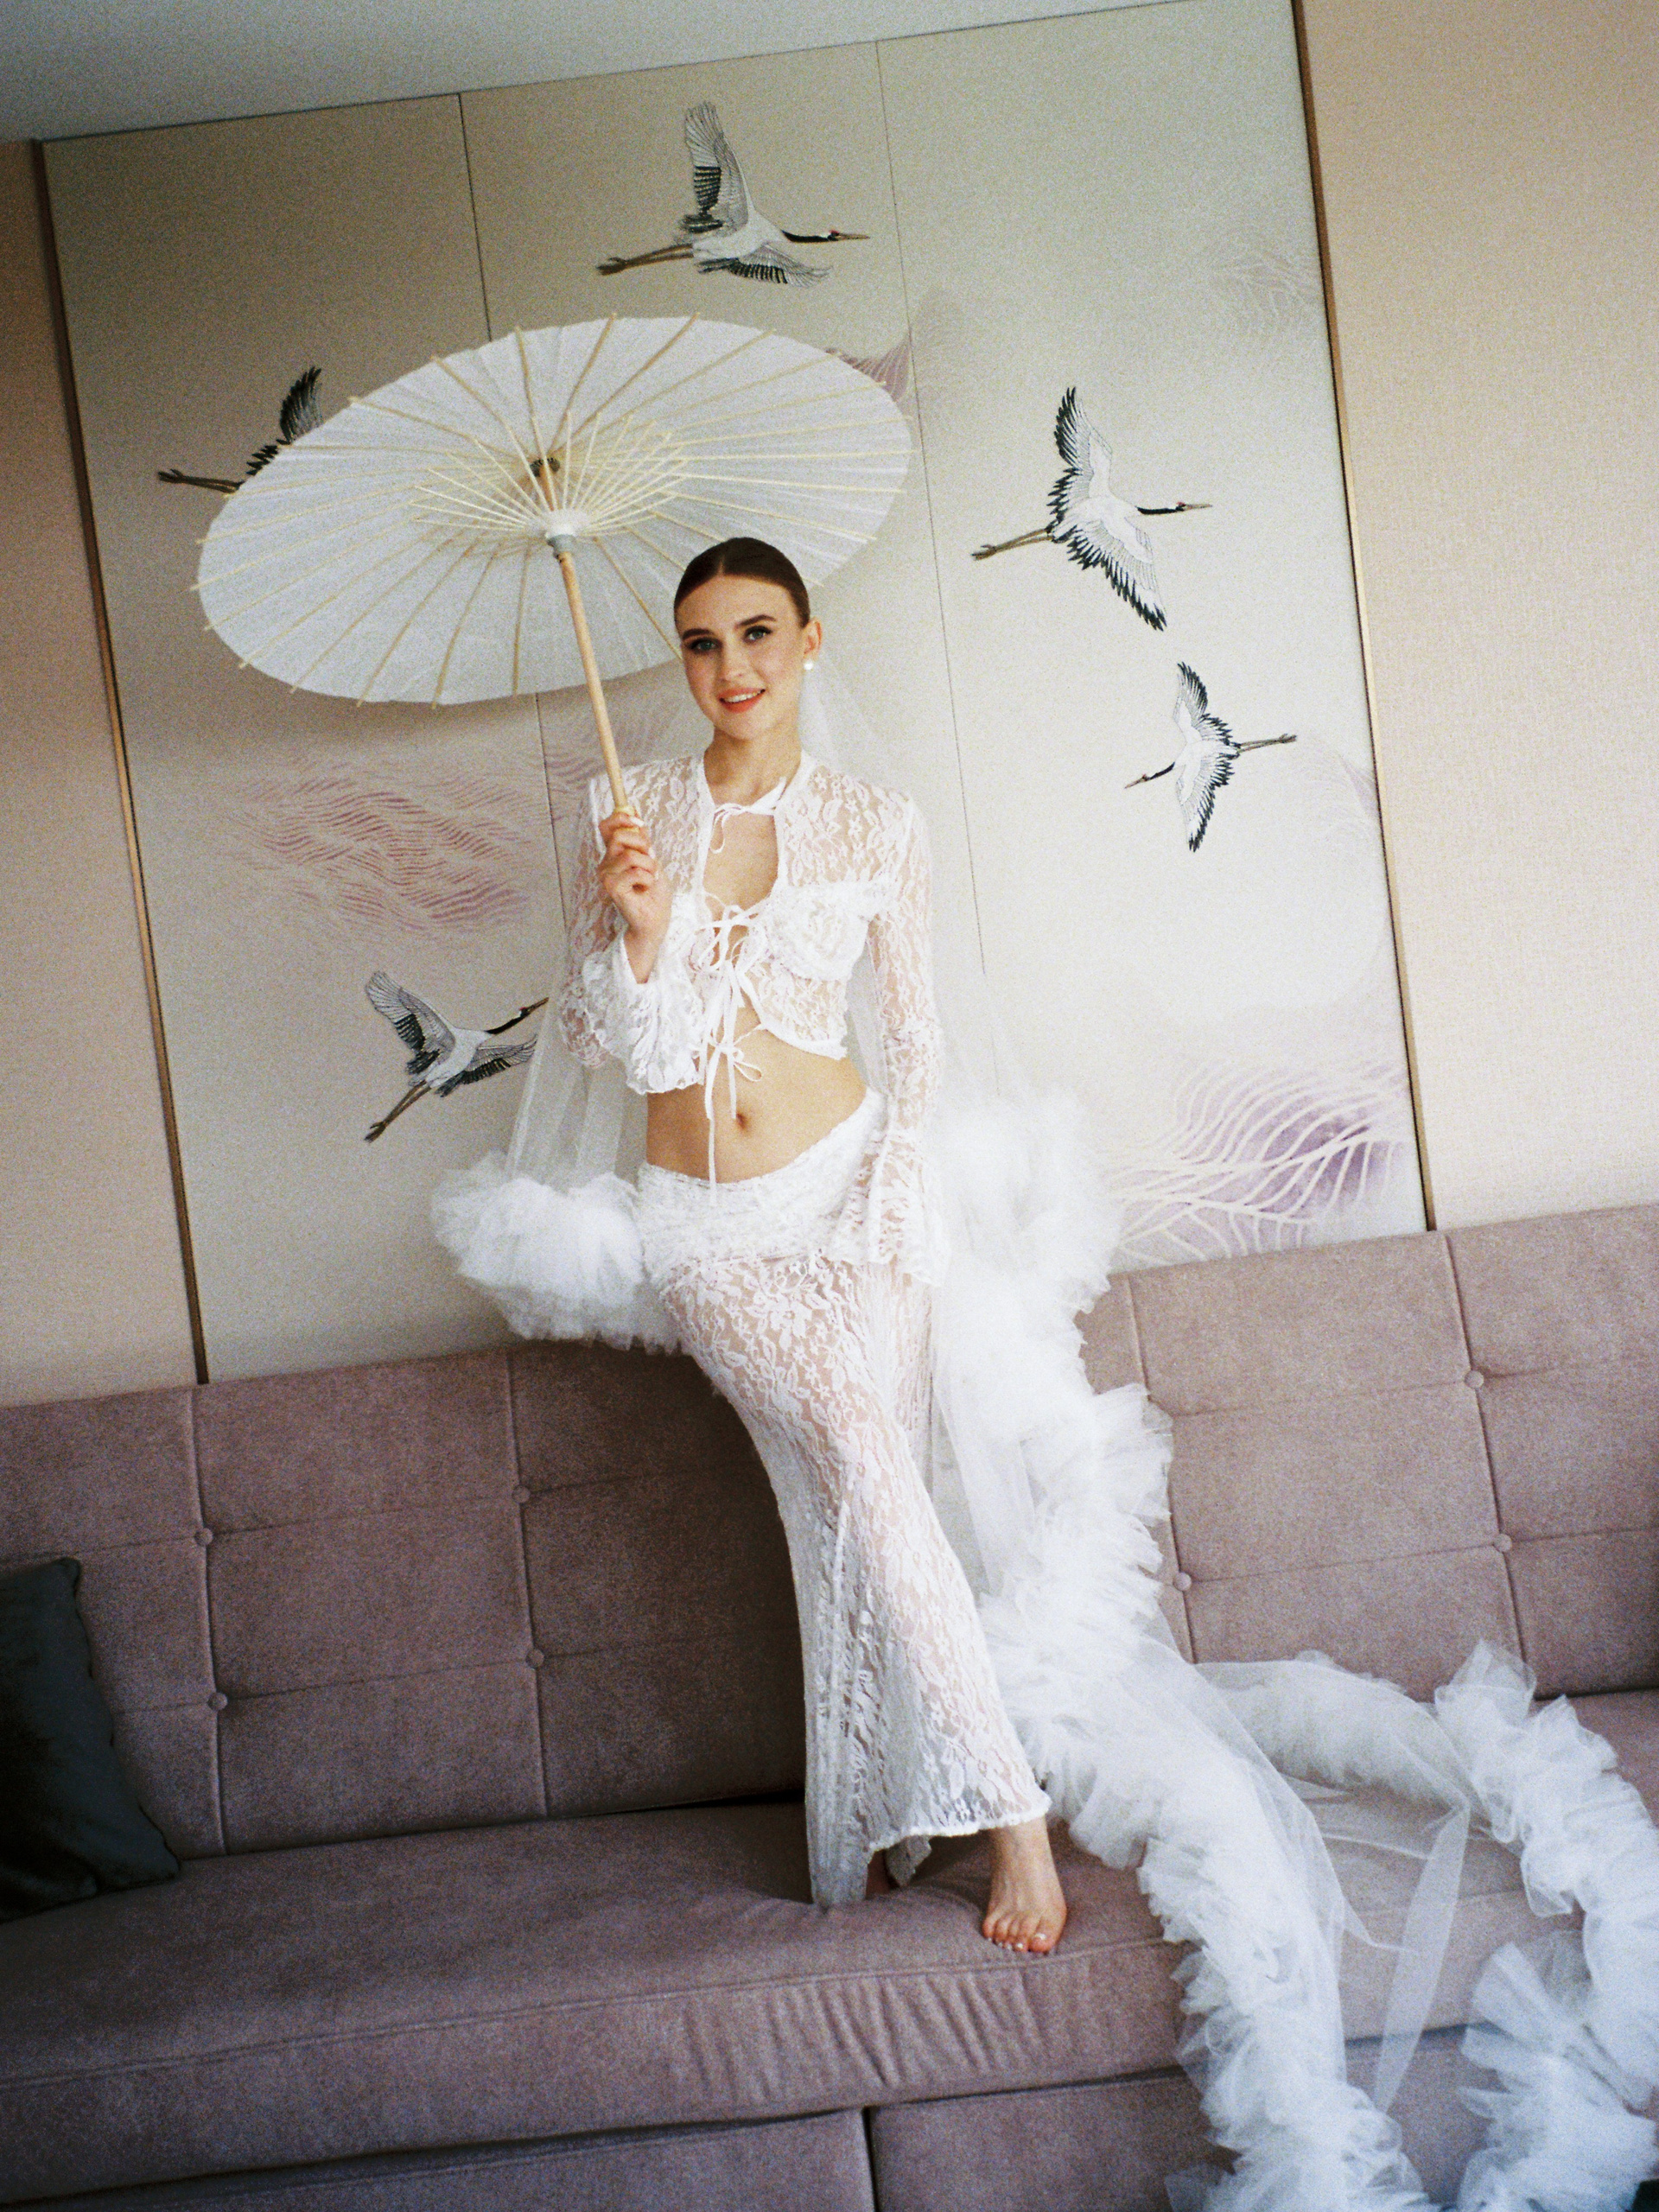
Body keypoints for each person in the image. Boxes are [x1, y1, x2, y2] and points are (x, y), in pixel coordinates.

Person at [435, 538, 1659, 2209]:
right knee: (862, 1473)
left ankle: (872, 1830)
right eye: (704, 642)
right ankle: (1005, 1812)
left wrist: (894, 1214)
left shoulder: (875, 823)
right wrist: (641, 931)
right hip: (710, 1233)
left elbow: (917, 1040)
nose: (732, 669)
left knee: (853, 1504)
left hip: (856, 1199)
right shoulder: (631, 807)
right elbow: (618, 1052)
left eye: (760, 635)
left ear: (810, 641)